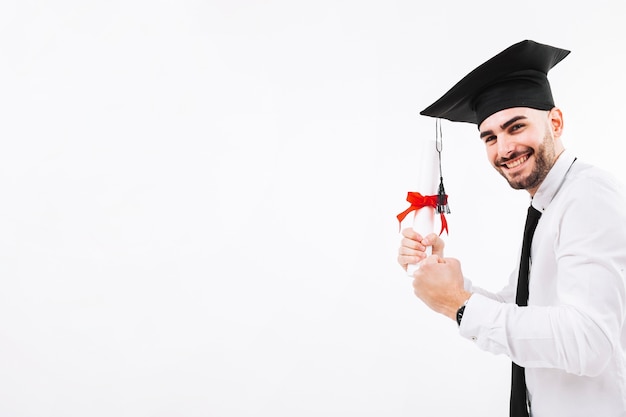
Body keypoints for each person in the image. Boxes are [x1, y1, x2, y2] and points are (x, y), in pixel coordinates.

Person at [397, 40, 626, 417]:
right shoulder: (548, 206)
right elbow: (522, 309)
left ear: (555, 122)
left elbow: (589, 341)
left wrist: (459, 305)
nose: (503, 148)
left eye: (515, 127)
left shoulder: (587, 197)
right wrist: (449, 283)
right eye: (489, 137)